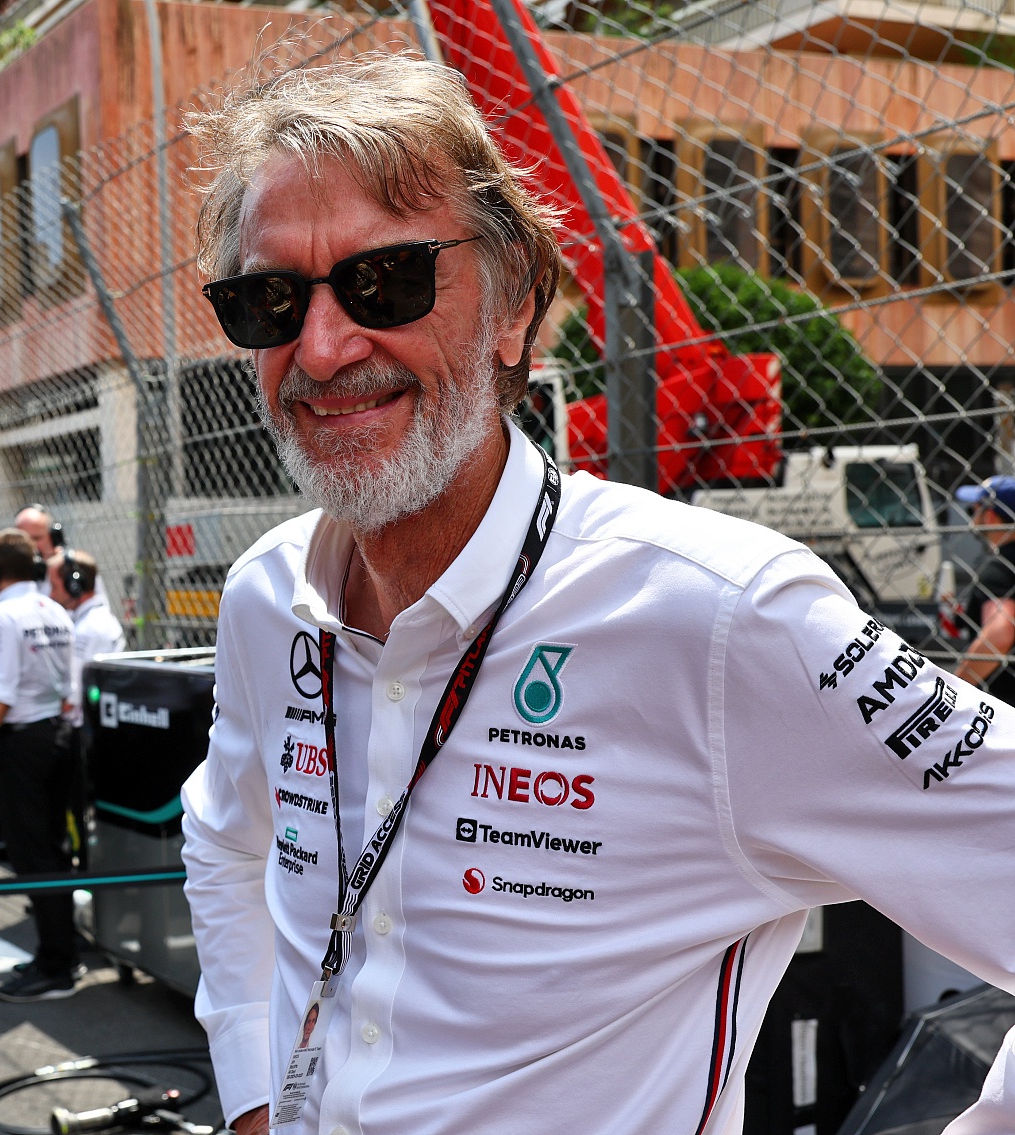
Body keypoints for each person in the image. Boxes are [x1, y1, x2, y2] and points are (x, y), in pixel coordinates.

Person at [179, 55, 1015, 1135]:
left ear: (514, 304)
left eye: (386, 280)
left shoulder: (721, 620)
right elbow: (225, 840)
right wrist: (252, 1095)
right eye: (270, 299)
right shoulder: (265, 598)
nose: (324, 347)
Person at [0, 528, 79, 1002]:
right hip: (57, 736)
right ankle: (59, 954)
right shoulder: (56, 609)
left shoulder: (2, 615)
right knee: (53, 850)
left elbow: (0, 695)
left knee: (34, 855)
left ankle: (56, 967)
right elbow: (67, 689)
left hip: (23, 744)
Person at [953, 476, 1015, 701]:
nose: (972, 516)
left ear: (990, 516)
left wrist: (955, 690)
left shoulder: (998, 570)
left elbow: (1000, 634)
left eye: (974, 509)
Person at [47, 549, 126, 725]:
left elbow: (71, 699)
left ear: (74, 585)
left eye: (54, 586)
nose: (51, 595)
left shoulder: (88, 628)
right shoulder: (95, 619)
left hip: (81, 728)